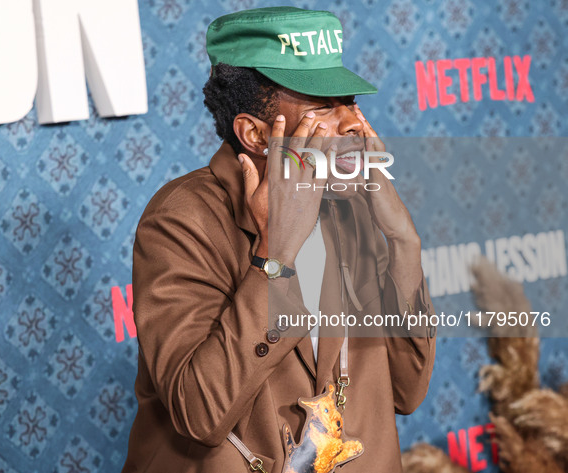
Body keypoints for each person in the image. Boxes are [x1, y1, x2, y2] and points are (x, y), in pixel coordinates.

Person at [122, 7, 436, 473]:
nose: (352, 123)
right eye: (322, 106)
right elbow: (199, 413)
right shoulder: (181, 220)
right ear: (254, 134)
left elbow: (408, 390)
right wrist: (276, 255)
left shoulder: (353, 207)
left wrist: (402, 240)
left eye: (349, 100)